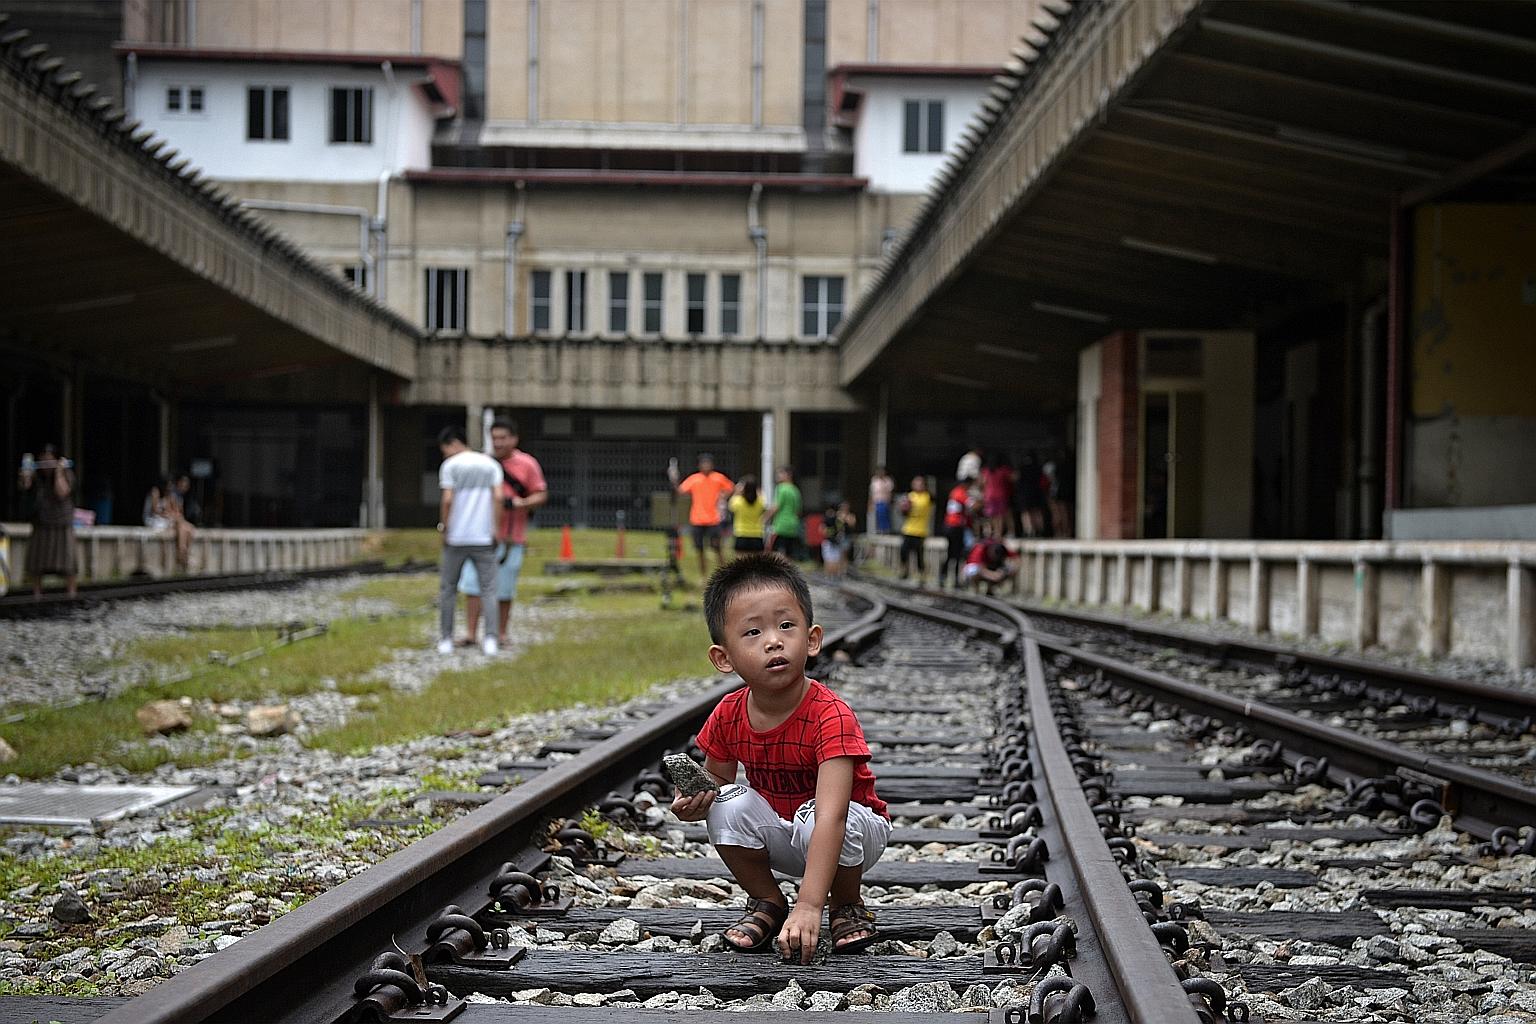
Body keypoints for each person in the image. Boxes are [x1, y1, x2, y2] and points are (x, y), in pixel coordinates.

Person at [671, 554, 889, 960]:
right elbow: (717, 784)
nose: (773, 640)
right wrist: (695, 802)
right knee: (728, 802)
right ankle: (768, 901)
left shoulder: (831, 714)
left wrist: (812, 905)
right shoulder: (729, 713)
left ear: (812, 639)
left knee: (817, 816)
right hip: (787, 831)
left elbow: (833, 815)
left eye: (786, 626)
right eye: (752, 632)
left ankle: (846, 904)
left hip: (852, 832)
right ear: (724, 658)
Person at [458, 418, 547, 648]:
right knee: (472, 584)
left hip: (511, 536)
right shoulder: (483, 463)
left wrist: (520, 503)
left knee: (504, 587)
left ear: (514, 439)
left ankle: (501, 633)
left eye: (502, 438)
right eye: (494, 438)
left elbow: (541, 494)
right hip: (480, 535)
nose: (498, 443)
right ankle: (470, 633)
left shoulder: (527, 464)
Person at [436, 425, 502, 656]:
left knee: (448, 589)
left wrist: (444, 527)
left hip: (456, 538)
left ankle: (445, 639)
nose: (446, 455)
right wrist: (496, 528)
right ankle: (491, 639)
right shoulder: (490, 464)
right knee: (489, 589)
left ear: (453, 443)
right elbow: (499, 498)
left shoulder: (450, 466)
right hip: (484, 537)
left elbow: (447, 500)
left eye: (445, 450)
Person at [19, 445, 77, 597]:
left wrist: (58, 472)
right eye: (43, 457)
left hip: (61, 522)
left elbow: (62, 492)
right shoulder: (36, 474)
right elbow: (25, 487)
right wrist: (26, 473)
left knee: (67, 563)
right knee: (37, 562)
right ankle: (37, 595)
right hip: (41, 520)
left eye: (49, 457)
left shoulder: (65, 473)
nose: (46, 460)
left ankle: (71, 594)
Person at [676, 453, 735, 577]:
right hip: (697, 519)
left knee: (716, 547)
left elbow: (731, 488)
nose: (706, 466)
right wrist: (674, 479)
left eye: (708, 463)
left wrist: (723, 497)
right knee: (700, 549)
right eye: (703, 463)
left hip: (714, 519)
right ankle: (703, 575)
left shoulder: (718, 478)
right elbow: (681, 491)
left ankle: (723, 574)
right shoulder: (694, 479)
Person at [143, 478, 195, 571]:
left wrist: (173, 514)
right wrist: (170, 515)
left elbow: (174, 510)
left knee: (189, 528)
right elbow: (155, 510)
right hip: (153, 519)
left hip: (163, 519)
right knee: (180, 524)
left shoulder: (169, 495)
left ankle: (185, 552)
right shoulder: (155, 491)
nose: (170, 488)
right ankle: (181, 554)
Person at [938, 473, 976, 589]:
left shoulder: (955, 492)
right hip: (955, 526)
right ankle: (950, 578)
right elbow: (972, 505)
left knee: (953, 554)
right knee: (955, 554)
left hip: (951, 526)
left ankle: (947, 577)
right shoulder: (960, 493)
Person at [896, 475, 931, 581]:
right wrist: (904, 508)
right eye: (916, 483)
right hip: (908, 528)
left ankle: (921, 574)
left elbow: (920, 507)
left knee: (919, 554)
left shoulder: (926, 497)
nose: (918, 486)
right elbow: (903, 512)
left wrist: (909, 505)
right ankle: (904, 570)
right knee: (903, 551)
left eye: (920, 483)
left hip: (920, 530)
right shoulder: (910, 496)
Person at [765, 465, 803, 560]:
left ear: (788, 475)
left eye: (780, 473)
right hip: (793, 525)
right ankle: (787, 573)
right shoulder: (795, 490)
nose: (778, 476)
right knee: (789, 553)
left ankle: (777, 573)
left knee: (773, 552)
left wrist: (764, 517)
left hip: (781, 525)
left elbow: (776, 506)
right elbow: (798, 510)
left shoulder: (781, 488)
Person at [728, 475, 767, 556]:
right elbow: (763, 503)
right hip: (757, 534)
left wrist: (737, 491)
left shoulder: (738, 501)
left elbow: (730, 506)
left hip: (741, 534)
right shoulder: (760, 502)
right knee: (756, 564)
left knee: (741, 564)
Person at [982, 456, 1015, 538]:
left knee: (993, 515)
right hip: (1001, 495)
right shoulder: (1003, 470)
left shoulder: (987, 471)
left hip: (989, 495)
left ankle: (995, 533)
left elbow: (983, 482)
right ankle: (1000, 533)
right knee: (1001, 515)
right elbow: (1013, 478)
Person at [820, 501, 855, 577]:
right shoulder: (832, 519)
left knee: (841, 556)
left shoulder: (845, 517)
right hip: (831, 541)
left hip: (841, 539)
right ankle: (829, 575)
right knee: (830, 559)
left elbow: (850, 524)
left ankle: (840, 572)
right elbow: (823, 529)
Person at [867, 466, 894, 535]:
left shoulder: (888, 480)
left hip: (885, 500)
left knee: (885, 515)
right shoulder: (874, 480)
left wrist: (889, 501)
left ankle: (886, 530)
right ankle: (879, 530)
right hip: (876, 501)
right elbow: (872, 492)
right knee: (878, 516)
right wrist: (870, 503)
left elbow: (890, 492)